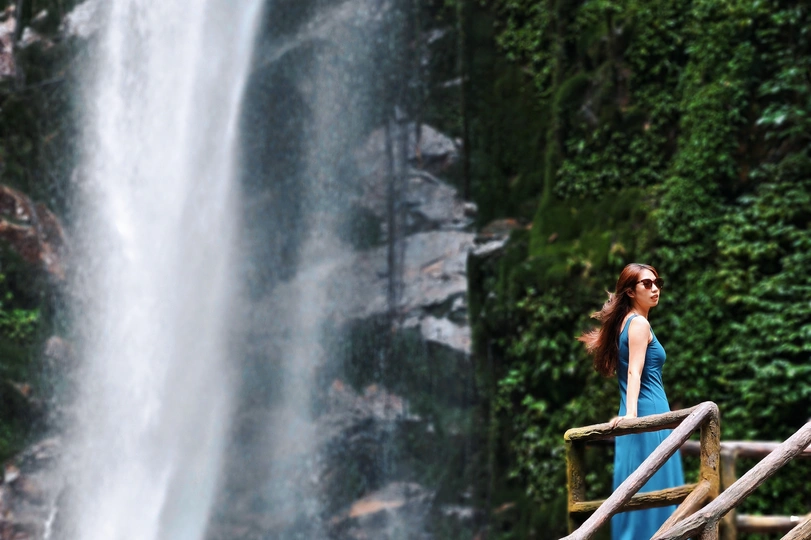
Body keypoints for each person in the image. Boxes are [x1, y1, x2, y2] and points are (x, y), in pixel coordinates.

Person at [578, 263, 684, 540]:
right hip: (649, 414)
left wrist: (629, 414)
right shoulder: (638, 323)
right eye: (647, 284)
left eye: (657, 283)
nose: (655, 289)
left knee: (640, 488)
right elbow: (633, 372)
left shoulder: (626, 322)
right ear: (630, 291)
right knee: (655, 488)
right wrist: (633, 417)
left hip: (640, 411)